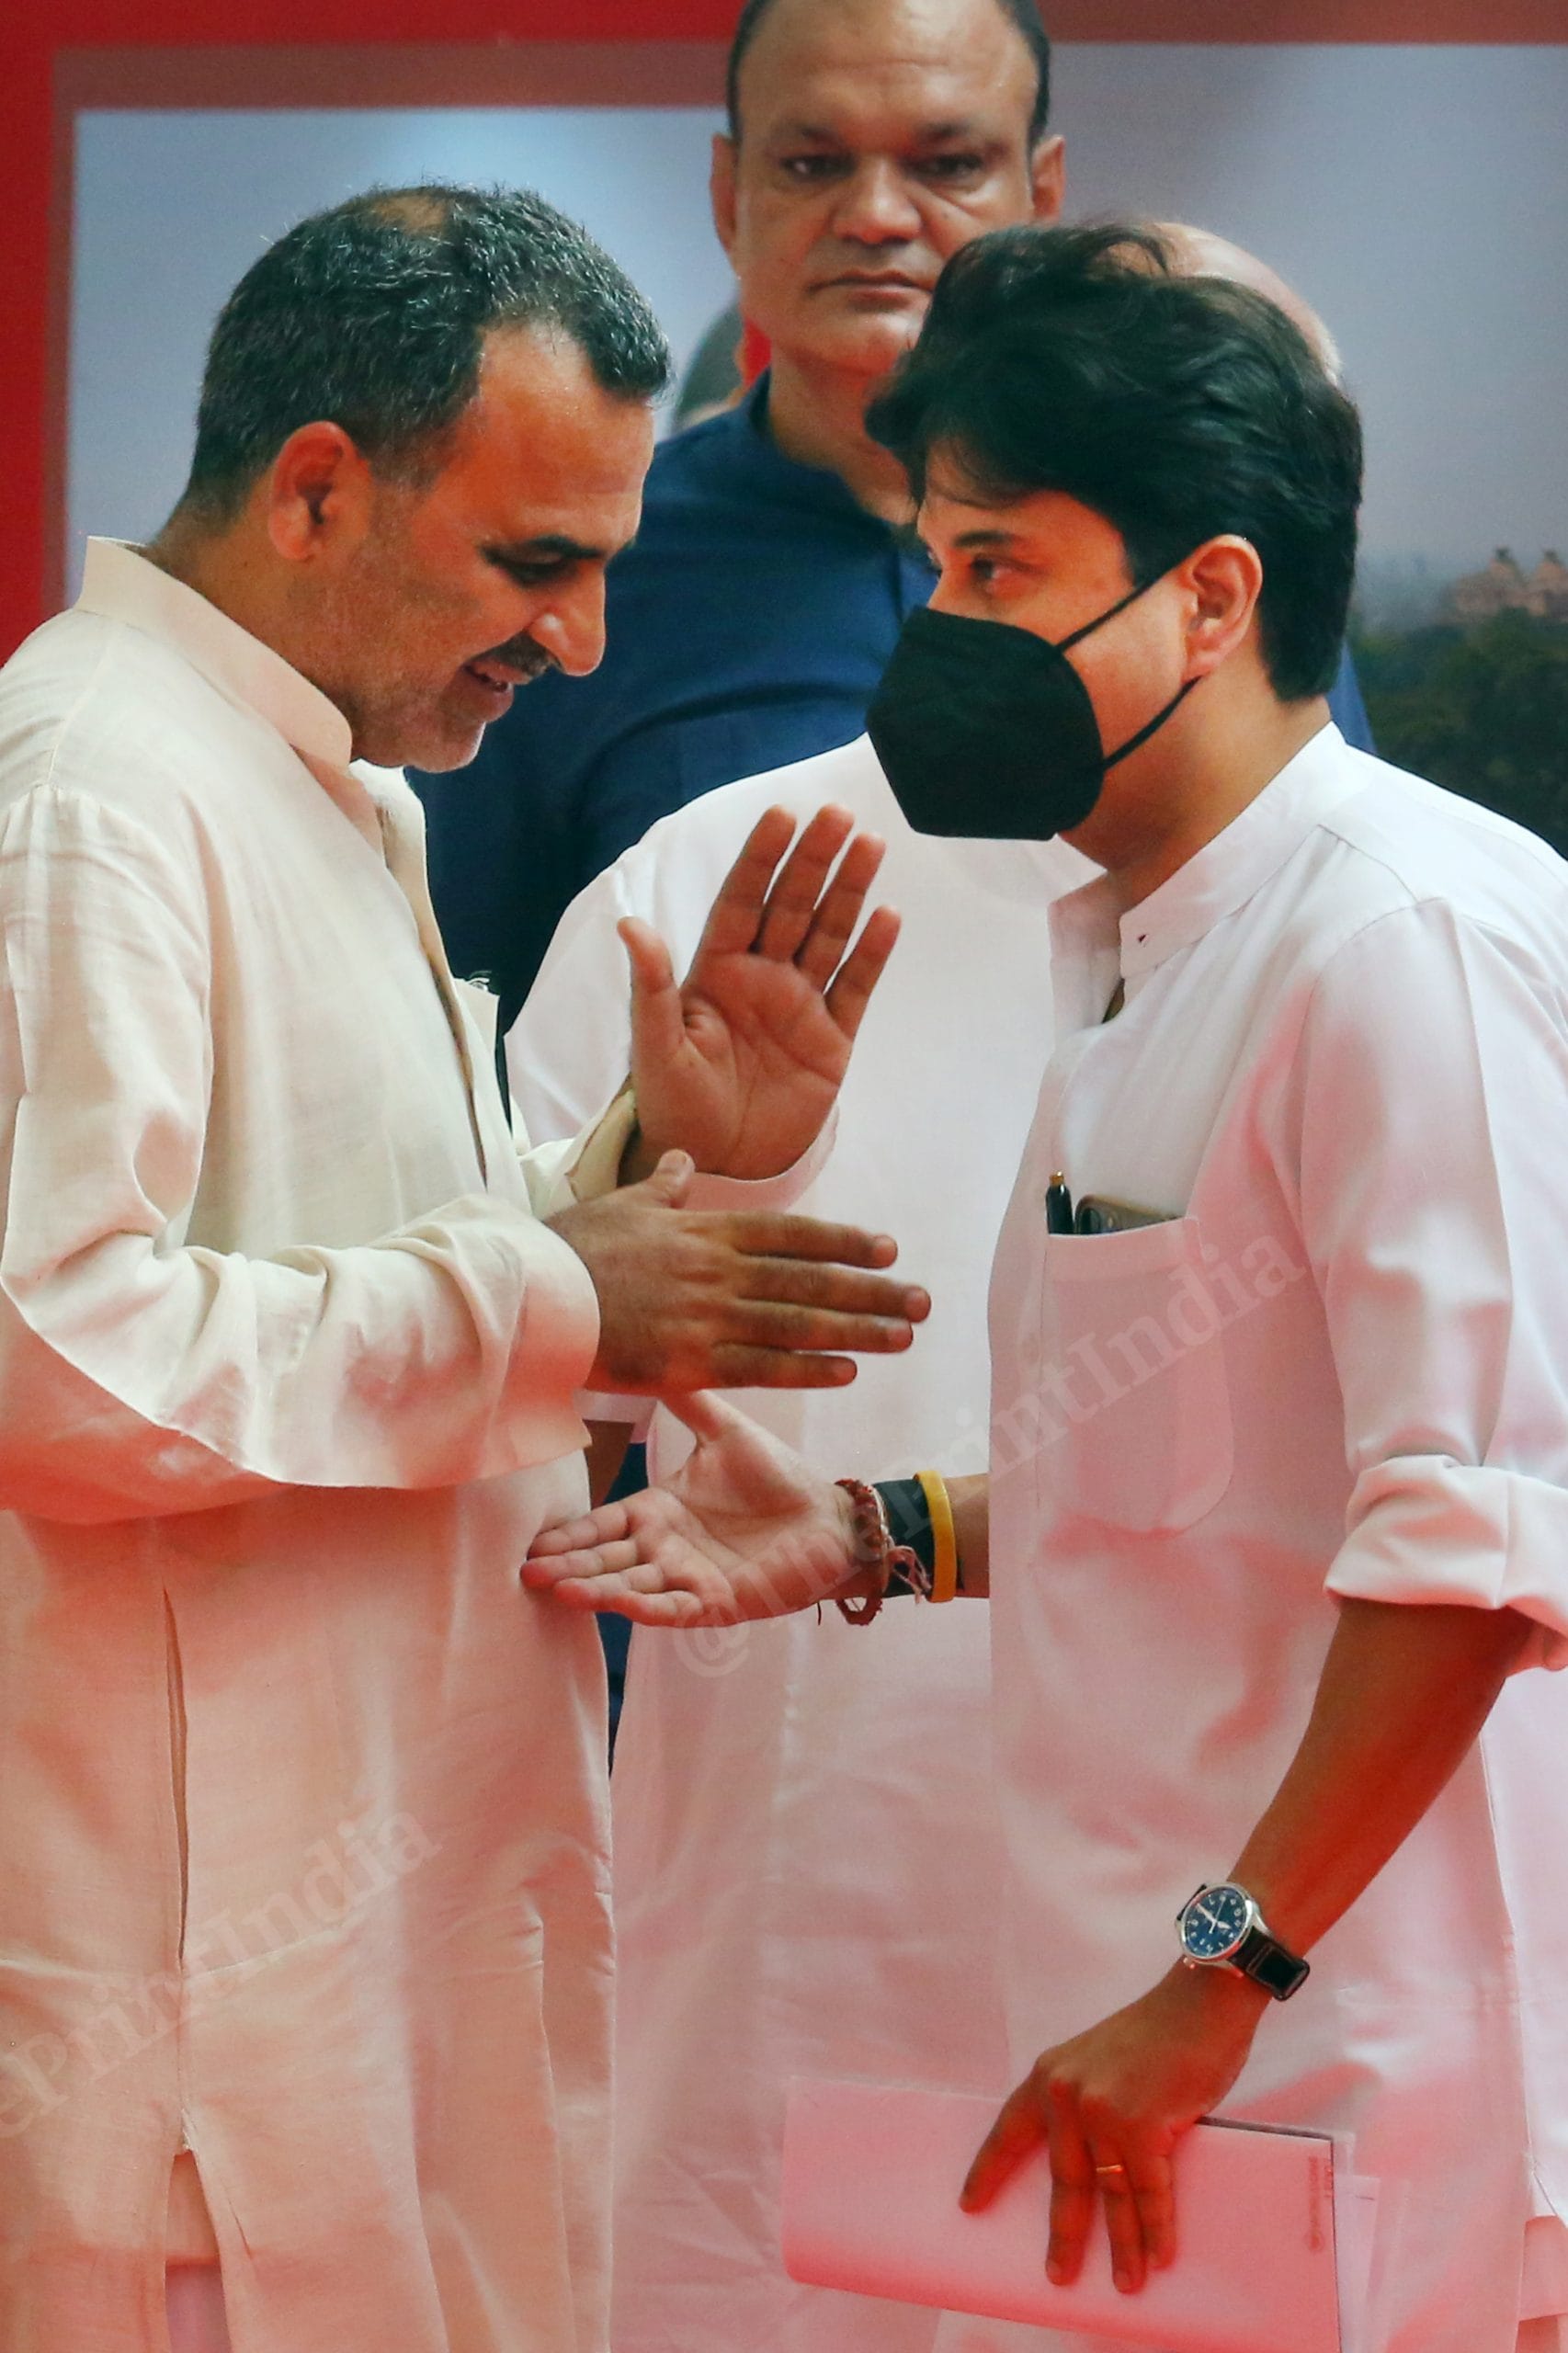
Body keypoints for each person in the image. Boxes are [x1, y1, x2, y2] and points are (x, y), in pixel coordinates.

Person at [524, 222, 1568, 2353]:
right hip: (1131, 2038)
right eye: (936, 565)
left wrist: (1212, 1978)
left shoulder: (1398, 947)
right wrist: (867, 1532)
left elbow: (1464, 1549)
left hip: (1331, 2054)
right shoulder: (1129, 944)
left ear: (1209, 591)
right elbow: (1191, 1465)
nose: (943, 625)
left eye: (998, 569)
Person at [0, 183, 932, 2353]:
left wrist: (642, 1166)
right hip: (193, 2012)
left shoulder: (304, 771)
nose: (587, 643)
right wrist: (566, 1299)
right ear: (318, 485)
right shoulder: (90, 798)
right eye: (539, 563)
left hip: (373, 1941)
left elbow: (345, 1241)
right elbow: (56, 1349)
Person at [413, 0, 1373, 1029]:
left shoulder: (1188, 560)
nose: (875, 214)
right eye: (811, 164)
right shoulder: (580, 573)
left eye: (947, 164)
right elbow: (467, 1033)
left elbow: (1317, 910)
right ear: (728, 195)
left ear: (1039, 193)